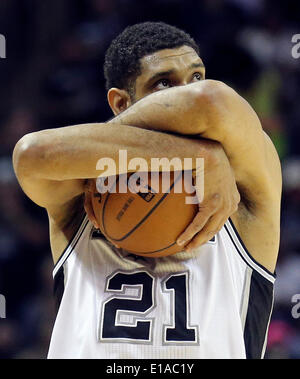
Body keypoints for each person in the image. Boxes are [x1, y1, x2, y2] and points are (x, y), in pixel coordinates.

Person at [12, 22, 281, 359]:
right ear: (122, 103)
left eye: (196, 76)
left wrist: (201, 156)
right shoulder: (85, 191)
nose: (185, 92)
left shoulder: (244, 182)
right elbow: (32, 155)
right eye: (164, 83)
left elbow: (212, 101)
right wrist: (197, 157)